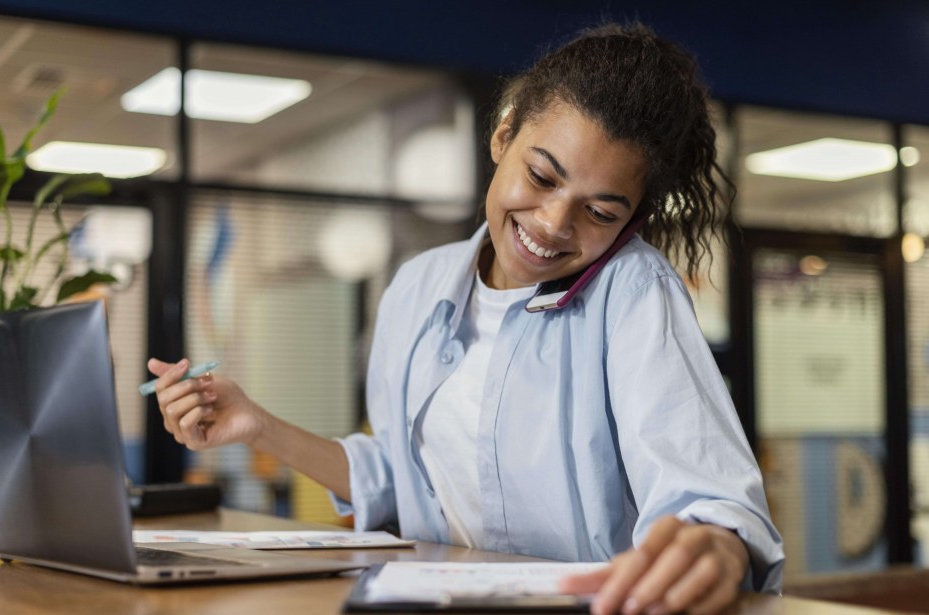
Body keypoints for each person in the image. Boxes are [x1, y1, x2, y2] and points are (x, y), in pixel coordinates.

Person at [149, 21, 784, 615]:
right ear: (502, 135)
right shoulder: (418, 286)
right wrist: (257, 426)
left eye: (600, 213)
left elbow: (709, 498)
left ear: (633, 220)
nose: (553, 224)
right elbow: (398, 477)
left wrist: (718, 544)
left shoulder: (634, 291)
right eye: (541, 175)